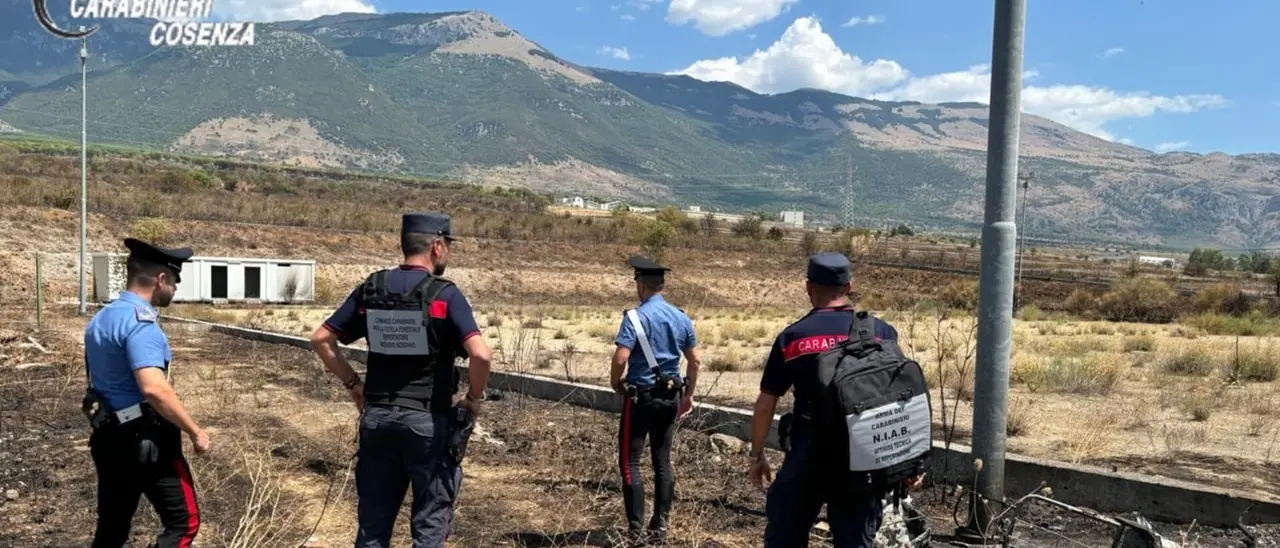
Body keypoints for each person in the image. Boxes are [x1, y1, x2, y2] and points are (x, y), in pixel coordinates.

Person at [311, 212, 492, 548]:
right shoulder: (446, 295)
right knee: (429, 526)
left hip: (377, 419)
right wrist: (473, 400)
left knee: (373, 528)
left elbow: (322, 339)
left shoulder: (372, 289)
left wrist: (354, 386)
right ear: (436, 247)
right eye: (448, 245)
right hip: (427, 424)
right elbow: (480, 355)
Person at [746, 252, 923, 547]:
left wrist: (757, 456)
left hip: (807, 457)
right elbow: (900, 399)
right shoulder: (882, 332)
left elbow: (765, 406)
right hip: (864, 458)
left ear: (808, 287)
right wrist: (909, 463)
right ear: (849, 287)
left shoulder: (793, 338)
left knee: (785, 536)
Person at [83, 238, 210, 548]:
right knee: (184, 523)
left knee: (112, 528)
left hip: (108, 436)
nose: (175, 289)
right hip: (145, 441)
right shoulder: (142, 324)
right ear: (160, 279)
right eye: (175, 281)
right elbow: (154, 388)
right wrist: (195, 431)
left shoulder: (101, 319)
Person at [609, 255, 701, 545]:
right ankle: (660, 527)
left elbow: (621, 357)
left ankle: (635, 531)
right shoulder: (681, 317)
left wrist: (615, 383)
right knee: (662, 460)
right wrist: (688, 395)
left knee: (630, 461)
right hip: (670, 396)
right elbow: (695, 361)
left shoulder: (635, 318)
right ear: (662, 285)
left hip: (641, 396)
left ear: (640, 285)